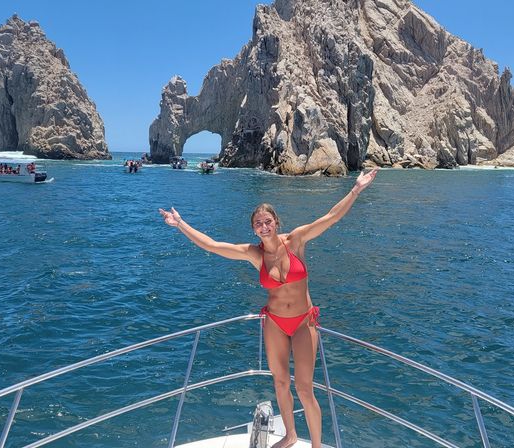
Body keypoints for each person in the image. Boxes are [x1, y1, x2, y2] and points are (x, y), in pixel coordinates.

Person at [159, 169, 378, 448]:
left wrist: (356, 188)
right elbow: (213, 246)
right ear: (254, 229)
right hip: (275, 322)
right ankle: (290, 435)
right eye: (258, 223)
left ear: (276, 222)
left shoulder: (295, 241)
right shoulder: (254, 254)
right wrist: (180, 224)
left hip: (303, 322)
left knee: (304, 388)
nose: (264, 226)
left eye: (268, 221)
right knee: (280, 383)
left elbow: (331, 217)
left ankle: (317, 446)